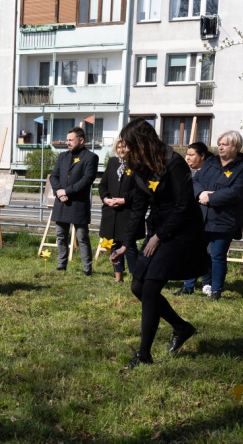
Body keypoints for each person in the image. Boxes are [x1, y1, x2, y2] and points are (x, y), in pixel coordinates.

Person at [110, 119, 207, 369]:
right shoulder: (139, 165)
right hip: (159, 229)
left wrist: (159, 236)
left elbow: (185, 206)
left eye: (131, 144)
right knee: (137, 287)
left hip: (181, 231)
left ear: (143, 142)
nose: (127, 150)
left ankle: (144, 355)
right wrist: (126, 244)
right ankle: (181, 327)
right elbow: (138, 207)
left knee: (150, 288)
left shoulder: (174, 163)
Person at [188, 132, 243, 300]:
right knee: (195, 252)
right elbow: (195, 181)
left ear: (236, 147)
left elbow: (236, 192)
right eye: (219, 143)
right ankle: (188, 286)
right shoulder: (210, 162)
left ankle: (216, 290)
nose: (221, 147)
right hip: (202, 216)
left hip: (224, 218)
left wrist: (211, 197)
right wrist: (200, 193)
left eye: (226, 144)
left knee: (217, 256)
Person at [50, 127, 99, 275]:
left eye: (71, 140)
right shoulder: (62, 156)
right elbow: (54, 176)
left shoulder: (91, 157)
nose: (68, 143)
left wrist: (67, 191)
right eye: (67, 140)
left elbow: (87, 180)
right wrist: (59, 191)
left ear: (81, 140)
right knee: (60, 235)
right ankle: (61, 265)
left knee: (82, 237)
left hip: (78, 203)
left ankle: (87, 269)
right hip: (61, 202)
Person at [98, 137, 143, 282]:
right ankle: (119, 277)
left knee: (128, 246)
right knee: (114, 245)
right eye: (118, 147)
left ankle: (137, 278)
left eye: (124, 146)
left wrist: (124, 199)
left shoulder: (138, 164)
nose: (121, 150)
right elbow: (103, 185)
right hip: (111, 212)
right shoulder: (112, 162)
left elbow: (140, 189)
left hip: (127, 212)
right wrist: (106, 199)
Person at [174, 142, 214, 295]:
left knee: (206, 252)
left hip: (207, 216)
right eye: (187, 154)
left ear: (202, 156)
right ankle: (188, 285)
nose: (187, 158)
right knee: (192, 251)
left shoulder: (211, 171)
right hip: (191, 217)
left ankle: (207, 284)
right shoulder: (188, 172)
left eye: (191, 155)